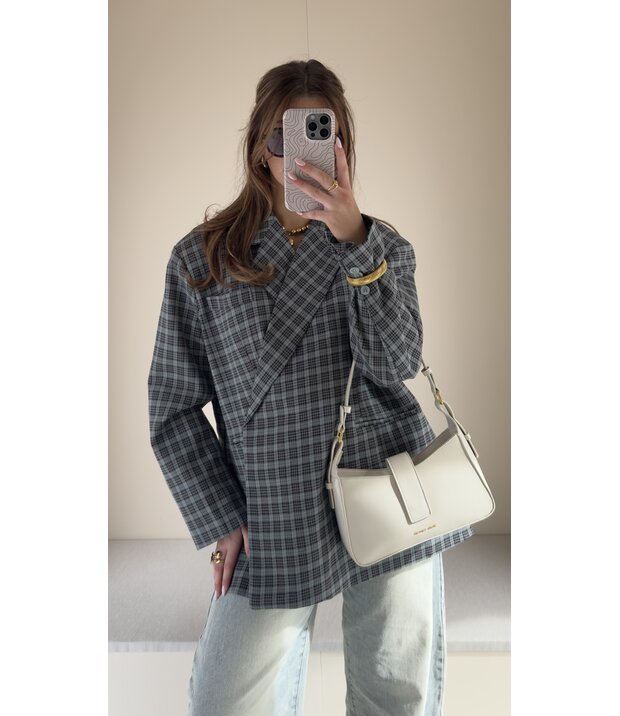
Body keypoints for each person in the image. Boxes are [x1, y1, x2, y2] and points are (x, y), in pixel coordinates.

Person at [147, 59, 474, 716]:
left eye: (322, 135)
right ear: (259, 150)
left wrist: (355, 242)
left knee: (394, 696)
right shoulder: (202, 259)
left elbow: (397, 361)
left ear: (342, 146)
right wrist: (221, 517)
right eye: (282, 137)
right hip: (271, 504)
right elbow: (172, 408)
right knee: (225, 702)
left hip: (387, 486)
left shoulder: (382, 247)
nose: (298, 155)